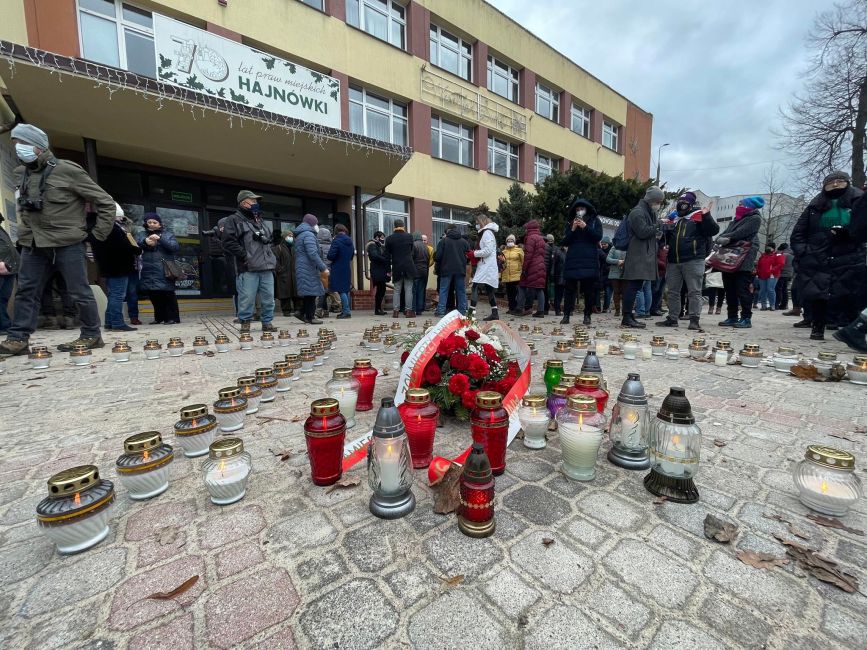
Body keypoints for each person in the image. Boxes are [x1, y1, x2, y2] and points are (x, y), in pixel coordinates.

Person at [0, 124, 115, 357]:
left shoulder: (67, 170)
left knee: (79, 291)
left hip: (67, 243)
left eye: (23, 143)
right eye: (16, 143)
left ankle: (92, 335)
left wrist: (97, 236)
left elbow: (105, 202)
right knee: (26, 291)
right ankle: (18, 338)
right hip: (32, 243)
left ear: (39, 147)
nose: (18, 148)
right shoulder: (20, 174)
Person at [790, 171, 865, 341]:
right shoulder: (815, 206)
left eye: (840, 181)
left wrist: (850, 235)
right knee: (818, 294)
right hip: (818, 255)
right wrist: (803, 251)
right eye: (831, 182)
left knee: (849, 294)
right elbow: (799, 232)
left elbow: (863, 227)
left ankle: (852, 331)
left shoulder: (858, 201)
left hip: (849, 255)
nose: (835, 184)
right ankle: (817, 327)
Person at [656, 192, 719, 330]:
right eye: (680, 201)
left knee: (694, 291)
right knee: (672, 291)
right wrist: (663, 232)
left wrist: (706, 215)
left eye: (684, 202)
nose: (681, 205)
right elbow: (664, 239)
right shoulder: (674, 219)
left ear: (690, 204)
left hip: (693, 260)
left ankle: (694, 320)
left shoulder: (698, 217)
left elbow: (714, 230)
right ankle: (672, 318)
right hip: (673, 261)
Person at [221, 190, 277, 332]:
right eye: (253, 201)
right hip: (248, 267)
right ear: (243, 202)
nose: (255, 203)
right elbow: (228, 242)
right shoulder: (233, 219)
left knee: (269, 298)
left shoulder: (261, 220)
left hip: (266, 266)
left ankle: (267, 322)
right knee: (247, 297)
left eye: (256, 201)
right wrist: (245, 256)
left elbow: (268, 241)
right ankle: (245, 322)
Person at [91, 203, 141, 332]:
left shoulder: (100, 228)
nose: (121, 220)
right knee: (118, 295)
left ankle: (110, 321)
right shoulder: (113, 229)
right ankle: (117, 323)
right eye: (119, 217)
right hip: (118, 266)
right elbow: (122, 247)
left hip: (109, 266)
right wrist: (136, 249)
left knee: (113, 294)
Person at [621, 186, 664, 328]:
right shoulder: (638, 212)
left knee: (636, 286)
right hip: (637, 256)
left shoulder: (647, 211)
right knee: (633, 287)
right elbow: (642, 232)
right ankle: (627, 317)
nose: (659, 204)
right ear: (652, 200)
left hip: (642, 256)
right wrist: (658, 225)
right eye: (658, 201)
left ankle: (629, 316)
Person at [717, 196, 763, 329]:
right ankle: (732, 316)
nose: (739, 206)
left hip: (743, 259)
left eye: (742, 204)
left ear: (749, 206)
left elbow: (740, 233)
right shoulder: (736, 219)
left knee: (742, 290)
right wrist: (721, 238)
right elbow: (725, 232)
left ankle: (746, 317)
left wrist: (728, 238)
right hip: (729, 259)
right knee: (729, 289)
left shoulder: (754, 219)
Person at [560, 198, 603, 325]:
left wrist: (585, 227)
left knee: (589, 290)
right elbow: (565, 241)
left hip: (589, 259)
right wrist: (573, 229)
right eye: (577, 209)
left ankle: (587, 315)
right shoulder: (570, 222)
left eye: (582, 209)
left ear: (587, 209)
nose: (580, 211)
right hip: (573, 259)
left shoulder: (595, 221)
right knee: (569, 290)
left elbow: (598, 236)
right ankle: (566, 315)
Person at [137, 213, 181, 325]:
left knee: (167, 293)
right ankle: (159, 317)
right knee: (153, 294)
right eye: (149, 222)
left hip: (164, 268)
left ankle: (173, 318)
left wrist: (160, 239)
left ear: (159, 224)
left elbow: (174, 247)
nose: (152, 224)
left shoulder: (167, 234)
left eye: (154, 222)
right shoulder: (141, 234)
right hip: (148, 269)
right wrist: (145, 242)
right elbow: (136, 245)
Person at [294, 213, 328, 325]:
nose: (317, 226)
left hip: (303, 266)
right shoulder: (308, 234)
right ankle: (310, 317)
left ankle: (301, 312)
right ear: (311, 223)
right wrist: (323, 267)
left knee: (309, 292)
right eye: (316, 223)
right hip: (308, 267)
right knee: (312, 293)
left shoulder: (301, 234)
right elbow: (312, 253)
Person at [468, 212, 500, 321]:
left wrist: (474, 253)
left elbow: (488, 250)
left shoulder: (487, 233)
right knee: (489, 288)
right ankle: (495, 313)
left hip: (487, 265)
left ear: (481, 222)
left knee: (475, 286)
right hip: (486, 264)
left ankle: (470, 314)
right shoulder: (486, 232)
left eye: (477, 222)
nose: (476, 224)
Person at [434, 224, 470, 315]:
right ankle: (462, 311)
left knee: (443, 290)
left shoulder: (443, 241)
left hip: (446, 269)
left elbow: (438, 257)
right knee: (461, 291)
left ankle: (441, 311)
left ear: (448, 231)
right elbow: (469, 256)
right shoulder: (464, 242)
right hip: (460, 269)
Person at [385, 219, 416, 318]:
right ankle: (408, 311)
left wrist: (388, 270)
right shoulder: (409, 237)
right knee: (408, 289)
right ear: (403, 226)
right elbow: (411, 251)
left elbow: (387, 256)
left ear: (394, 226)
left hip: (396, 266)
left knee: (397, 290)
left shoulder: (389, 239)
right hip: (408, 266)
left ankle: (395, 311)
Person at [519, 220, 547, 317]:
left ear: (529, 228)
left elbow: (528, 255)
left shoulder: (530, 238)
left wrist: (524, 269)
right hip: (541, 265)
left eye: (526, 228)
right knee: (539, 288)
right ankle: (541, 311)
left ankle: (522, 308)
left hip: (532, 266)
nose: (525, 230)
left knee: (524, 285)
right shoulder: (541, 238)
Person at [327, 224, 355, 319]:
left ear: (336, 231)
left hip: (337, 268)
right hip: (346, 267)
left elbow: (330, 255)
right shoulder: (350, 241)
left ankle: (346, 311)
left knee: (341, 290)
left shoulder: (336, 241)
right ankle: (345, 310)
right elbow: (351, 256)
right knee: (345, 290)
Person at [0, 212, 19, 333]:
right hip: (3, 266)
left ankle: (4, 325)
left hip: (9, 267)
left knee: (4, 297)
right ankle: (4, 326)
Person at [272, 228, 298, 317]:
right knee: (285, 294)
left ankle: (297, 310)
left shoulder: (295, 248)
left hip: (294, 274)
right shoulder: (278, 248)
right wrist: (280, 269)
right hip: (284, 274)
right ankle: (286, 311)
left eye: (292, 236)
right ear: (284, 237)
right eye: (289, 236)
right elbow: (275, 261)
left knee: (296, 293)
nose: (291, 238)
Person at [755, 243, 784, 311]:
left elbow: (781, 264)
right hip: (762, 275)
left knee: (770, 289)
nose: (767, 248)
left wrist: (772, 270)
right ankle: (763, 305)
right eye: (767, 247)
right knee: (762, 290)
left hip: (772, 275)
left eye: (769, 247)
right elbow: (759, 265)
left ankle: (772, 305)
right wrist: (758, 271)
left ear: (773, 248)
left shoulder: (778, 255)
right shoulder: (763, 255)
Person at [367, 231, 389, 315]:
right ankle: (377, 309)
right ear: (377, 237)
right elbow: (375, 256)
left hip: (381, 270)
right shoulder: (372, 245)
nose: (383, 239)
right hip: (377, 270)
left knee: (382, 290)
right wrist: (385, 259)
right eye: (382, 238)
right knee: (380, 290)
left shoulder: (380, 246)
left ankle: (379, 308)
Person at [501, 234, 524, 314]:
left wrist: (522, 271)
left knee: (517, 293)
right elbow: (502, 263)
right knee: (510, 293)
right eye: (508, 241)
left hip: (517, 274)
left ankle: (517, 308)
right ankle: (511, 308)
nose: (510, 242)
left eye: (511, 241)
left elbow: (523, 261)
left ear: (514, 242)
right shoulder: (504, 252)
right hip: (507, 274)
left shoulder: (519, 250)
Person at [412, 231, 430, 315]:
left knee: (414, 291)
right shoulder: (426, 247)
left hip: (416, 271)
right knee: (421, 290)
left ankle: (414, 309)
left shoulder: (414, 245)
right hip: (424, 271)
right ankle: (419, 310)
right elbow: (428, 260)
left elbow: (411, 258)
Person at [606, 245, 626, 317]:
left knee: (625, 292)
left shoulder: (629, 245)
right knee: (616, 291)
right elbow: (608, 259)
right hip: (614, 273)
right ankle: (617, 310)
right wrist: (618, 261)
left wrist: (625, 262)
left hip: (625, 272)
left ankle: (625, 311)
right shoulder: (614, 247)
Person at [775, 243, 794, 310]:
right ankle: (784, 304)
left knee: (778, 289)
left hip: (782, 273)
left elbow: (779, 263)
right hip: (789, 274)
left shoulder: (783, 254)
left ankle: (777, 303)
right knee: (784, 289)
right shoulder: (792, 254)